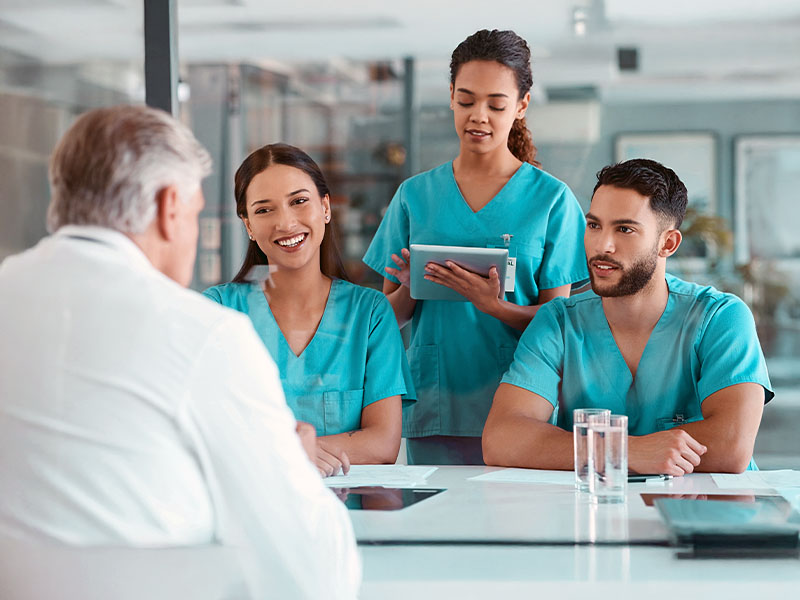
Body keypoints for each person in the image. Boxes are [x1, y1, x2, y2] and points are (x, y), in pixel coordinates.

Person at [0, 106, 360, 598]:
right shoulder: (204, 335)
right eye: (195, 213)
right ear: (170, 207)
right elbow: (313, 576)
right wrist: (293, 469)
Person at [363, 29, 589, 465]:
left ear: (521, 105)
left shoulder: (551, 200)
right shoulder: (415, 196)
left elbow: (558, 323)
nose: (478, 117)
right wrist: (412, 286)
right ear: (450, 96)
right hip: (436, 403)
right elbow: (386, 322)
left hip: (522, 408)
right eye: (466, 101)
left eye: (496, 105)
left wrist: (495, 306)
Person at [483, 158, 773, 475]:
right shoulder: (558, 322)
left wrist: (592, 451)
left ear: (668, 243)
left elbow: (731, 448)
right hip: (599, 502)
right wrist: (625, 451)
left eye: (624, 229)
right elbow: (501, 439)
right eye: (594, 225)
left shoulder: (721, 317)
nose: (602, 246)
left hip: (710, 504)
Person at [203, 143, 413, 476]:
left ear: (325, 208)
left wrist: (277, 451)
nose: (286, 222)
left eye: (299, 201)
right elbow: (203, 431)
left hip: (347, 506)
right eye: (264, 210)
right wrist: (295, 452)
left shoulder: (370, 314)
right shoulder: (217, 312)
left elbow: (383, 443)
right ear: (248, 226)